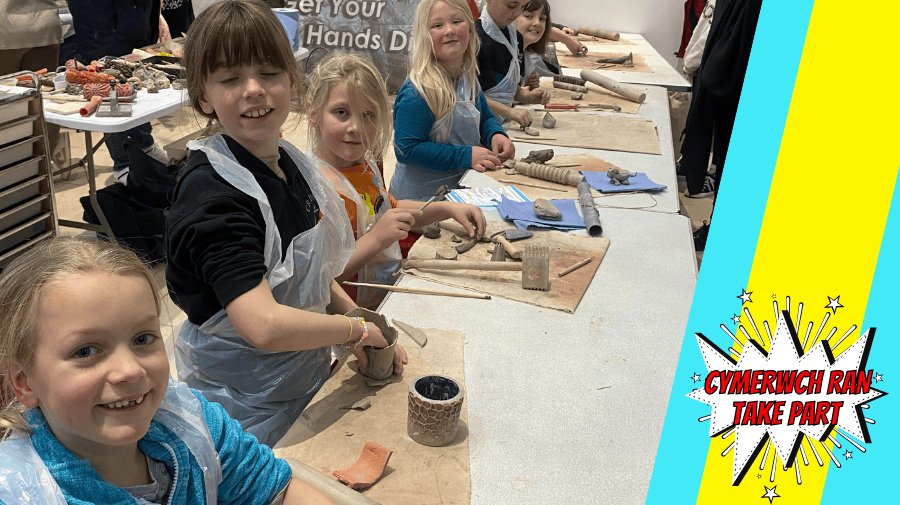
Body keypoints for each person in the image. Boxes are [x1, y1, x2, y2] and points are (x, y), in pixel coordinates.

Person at [166, 0, 406, 447]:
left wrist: (355, 316)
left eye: (269, 73)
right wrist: (352, 330)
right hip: (243, 401)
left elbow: (308, 275)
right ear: (204, 96)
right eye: (230, 78)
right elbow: (264, 325)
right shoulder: (214, 196)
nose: (254, 90)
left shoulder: (288, 163)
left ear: (292, 82)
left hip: (298, 377)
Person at [0, 236, 335, 504]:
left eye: (142, 338)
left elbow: (278, 490)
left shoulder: (187, 420)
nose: (129, 371)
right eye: (85, 351)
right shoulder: (24, 492)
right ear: (23, 382)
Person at [305, 53, 487, 307]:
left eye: (368, 115)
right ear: (313, 113)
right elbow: (317, 281)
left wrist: (447, 209)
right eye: (341, 112)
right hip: (343, 321)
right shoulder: (312, 189)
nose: (356, 127)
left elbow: (388, 209)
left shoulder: (364, 166)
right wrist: (376, 239)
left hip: (380, 298)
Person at [391, 0, 515, 201]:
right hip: (419, 204)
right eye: (438, 25)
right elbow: (406, 150)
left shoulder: (466, 76)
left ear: (471, 30)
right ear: (424, 36)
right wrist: (465, 156)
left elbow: (484, 118)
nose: (449, 30)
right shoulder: (419, 91)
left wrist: (495, 134)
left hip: (457, 189)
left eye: (457, 21)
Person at [65, 0, 170, 184]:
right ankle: (123, 161)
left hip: (137, 14)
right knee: (109, 82)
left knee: (136, 76)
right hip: (101, 19)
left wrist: (157, 14)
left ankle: (144, 144)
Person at [475, 0, 548, 128]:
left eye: (522, 7)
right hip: (476, 125)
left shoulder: (515, 37)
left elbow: (505, 87)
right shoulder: (474, 39)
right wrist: (510, 112)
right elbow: (469, 96)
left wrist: (526, 96)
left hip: (499, 123)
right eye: (512, 6)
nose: (517, 13)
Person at [515, 0, 558, 90]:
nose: (537, 23)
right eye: (528, 16)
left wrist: (526, 83)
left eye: (542, 18)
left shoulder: (524, 54)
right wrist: (517, 95)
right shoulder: (501, 54)